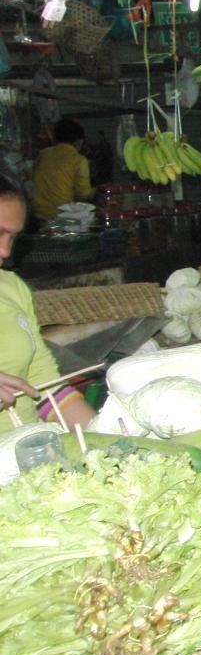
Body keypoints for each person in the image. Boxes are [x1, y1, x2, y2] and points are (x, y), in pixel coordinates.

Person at [0, 172, 95, 428]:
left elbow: (43, 385)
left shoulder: (12, 288)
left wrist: (105, 434)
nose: (5, 251)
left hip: (32, 446)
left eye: (12, 238)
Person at [31, 118, 94, 222]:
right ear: (79, 141)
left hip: (37, 215)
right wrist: (97, 191)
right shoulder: (79, 160)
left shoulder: (44, 154)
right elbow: (84, 194)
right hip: (61, 218)